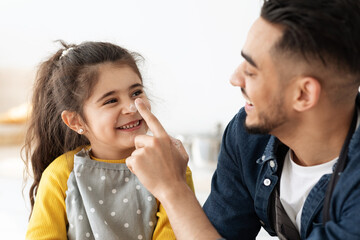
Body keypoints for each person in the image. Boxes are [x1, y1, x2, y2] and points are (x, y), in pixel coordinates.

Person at [126, 0, 360, 239]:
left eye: (251, 71)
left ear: (304, 94)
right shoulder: (248, 135)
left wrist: (172, 189)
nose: (235, 78)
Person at [23, 41, 195, 240]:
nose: (131, 107)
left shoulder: (170, 165)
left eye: (136, 92)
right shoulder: (60, 175)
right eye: (111, 100)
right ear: (75, 120)